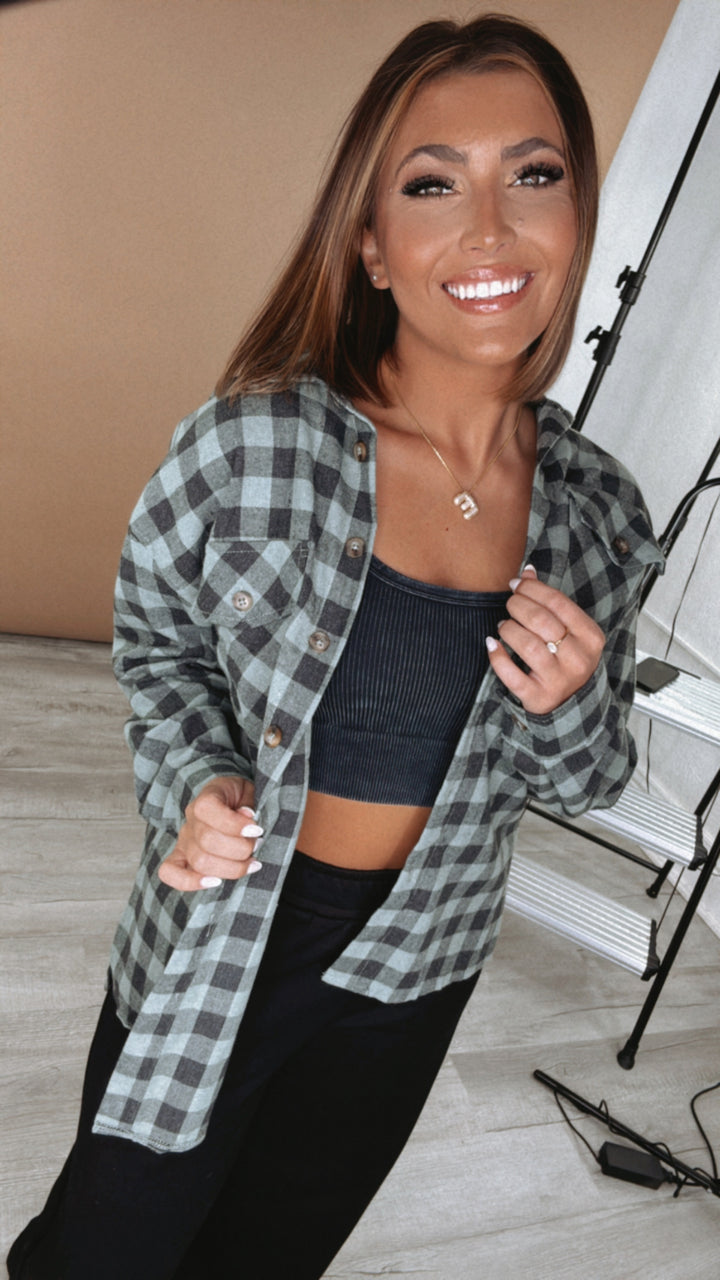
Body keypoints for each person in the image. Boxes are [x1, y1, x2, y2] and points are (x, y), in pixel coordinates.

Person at [9, 12, 664, 1280]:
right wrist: (193, 783)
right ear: (371, 242)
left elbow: (587, 778)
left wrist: (573, 697)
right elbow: (155, 647)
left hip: (415, 967)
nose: (490, 228)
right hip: (228, 933)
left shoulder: (597, 513)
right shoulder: (252, 445)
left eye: (534, 174)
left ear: (578, 214)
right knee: (102, 1247)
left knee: (273, 1253)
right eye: (434, 185)